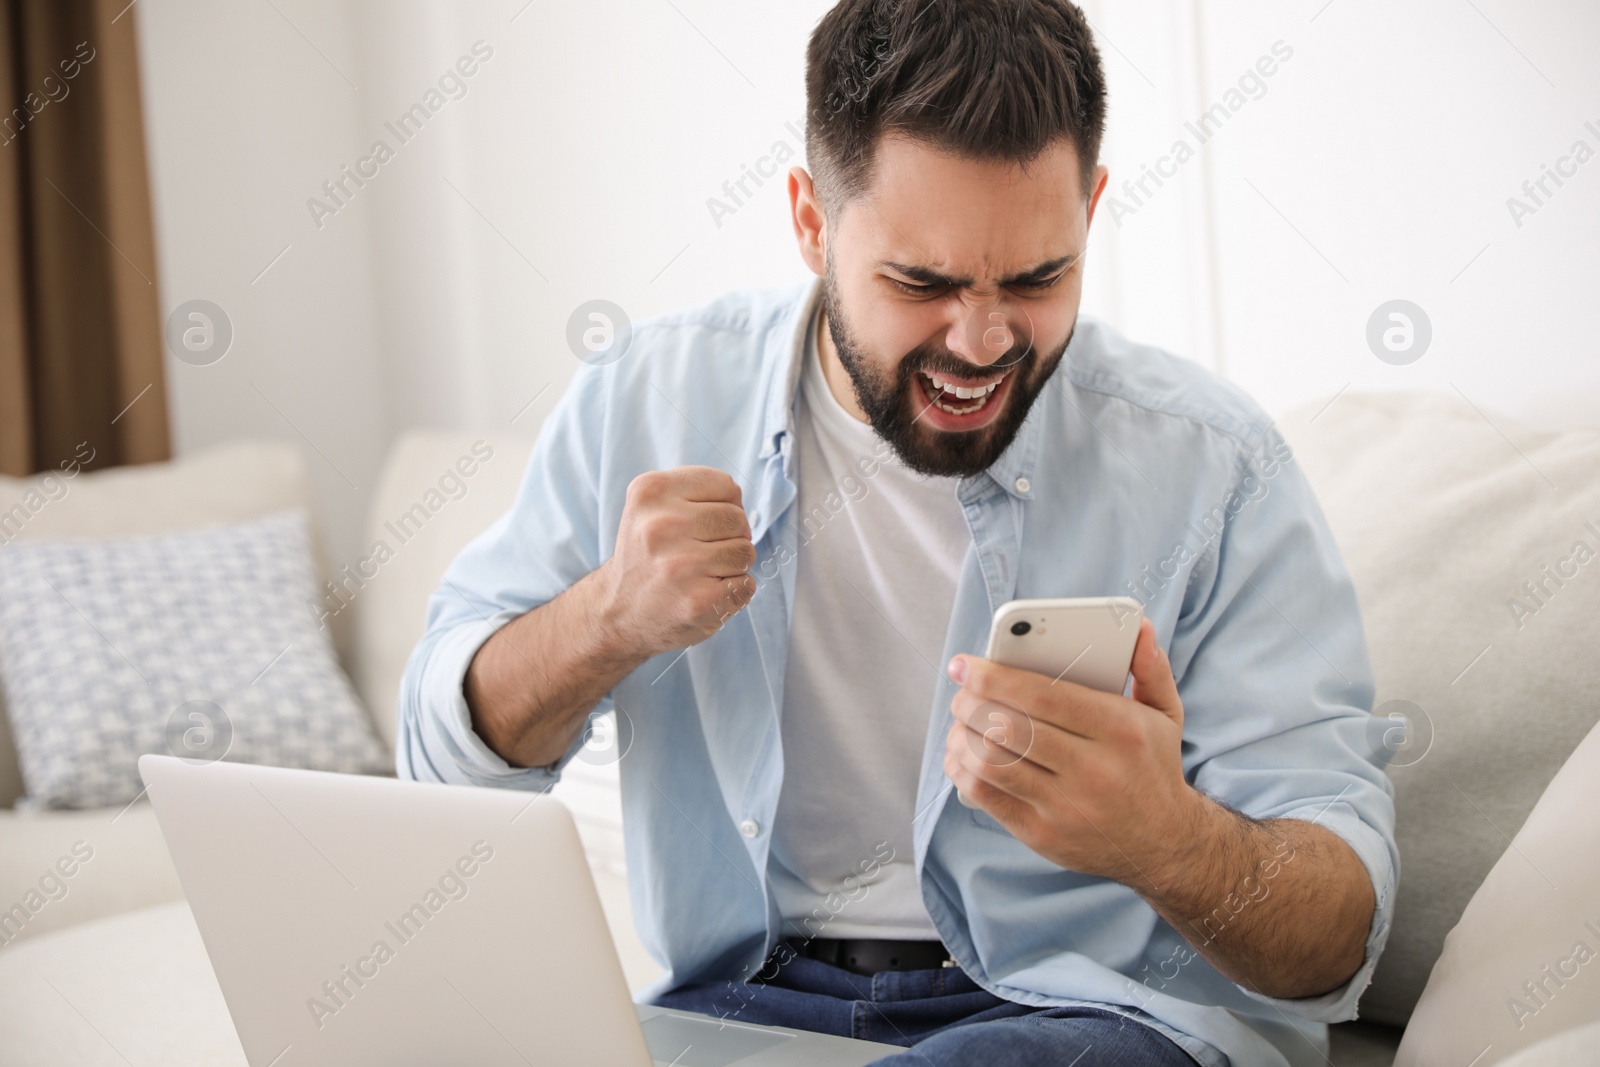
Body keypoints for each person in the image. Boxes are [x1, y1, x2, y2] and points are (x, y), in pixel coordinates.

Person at [396, 1, 1397, 1063]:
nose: (980, 342)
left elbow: (1333, 946)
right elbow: (444, 769)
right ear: (810, 222)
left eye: (1035, 278)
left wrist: (1165, 835)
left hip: (1080, 1016)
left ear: (1092, 210)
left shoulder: (1213, 464)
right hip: (737, 1001)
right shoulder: (644, 397)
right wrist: (604, 617)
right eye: (921, 283)